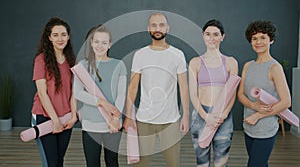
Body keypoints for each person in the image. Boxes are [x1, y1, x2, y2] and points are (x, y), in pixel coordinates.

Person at [123, 12, 190, 167]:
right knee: (141, 164)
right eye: (154, 25)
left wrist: (185, 115)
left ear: (167, 28)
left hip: (170, 120)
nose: (157, 28)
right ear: (148, 28)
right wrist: (128, 116)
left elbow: (184, 86)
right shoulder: (140, 55)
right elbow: (133, 87)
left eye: (161, 25)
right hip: (144, 119)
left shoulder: (177, 54)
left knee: (173, 163)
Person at [238, 20, 291, 167]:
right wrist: (253, 106)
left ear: (271, 40)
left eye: (263, 38)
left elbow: (286, 101)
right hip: (248, 126)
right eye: (254, 38)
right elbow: (241, 94)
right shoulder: (248, 66)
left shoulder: (275, 67)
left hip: (266, 129)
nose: (258, 42)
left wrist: (259, 115)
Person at [73, 25, 127, 167]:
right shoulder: (82, 66)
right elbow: (77, 93)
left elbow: (121, 94)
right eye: (96, 42)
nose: (100, 46)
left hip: (113, 124)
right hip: (91, 124)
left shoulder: (119, 65)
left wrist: (116, 118)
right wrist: (101, 102)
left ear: (110, 44)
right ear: (91, 43)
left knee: (112, 162)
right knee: (92, 164)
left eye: (104, 42)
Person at [189, 19, 238, 167]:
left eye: (216, 34)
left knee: (221, 163)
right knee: (202, 162)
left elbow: (232, 93)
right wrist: (206, 117)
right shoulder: (195, 62)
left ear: (222, 36)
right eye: (208, 34)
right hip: (200, 116)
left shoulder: (230, 62)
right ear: (203, 35)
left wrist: (223, 114)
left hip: (223, 118)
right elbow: (193, 94)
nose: (212, 38)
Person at [31, 17, 77, 167]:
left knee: (59, 161)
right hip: (45, 117)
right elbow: (42, 94)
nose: (60, 38)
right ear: (49, 38)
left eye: (63, 34)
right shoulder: (41, 60)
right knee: (51, 163)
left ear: (68, 37)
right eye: (55, 35)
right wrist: (55, 120)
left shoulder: (72, 61)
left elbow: (74, 92)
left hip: (66, 118)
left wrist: (73, 116)